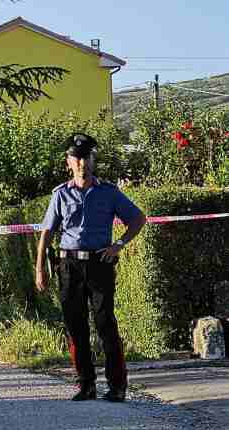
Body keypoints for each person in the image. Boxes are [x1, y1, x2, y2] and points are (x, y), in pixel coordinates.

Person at [35, 133, 147, 402]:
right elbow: (47, 234)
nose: (82, 162)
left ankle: (117, 386)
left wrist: (118, 244)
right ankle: (86, 384)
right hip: (69, 265)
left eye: (86, 157)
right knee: (76, 325)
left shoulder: (108, 193)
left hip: (100, 264)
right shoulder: (60, 195)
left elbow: (138, 219)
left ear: (93, 160)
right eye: (77, 158)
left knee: (105, 323)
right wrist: (40, 268)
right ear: (68, 163)